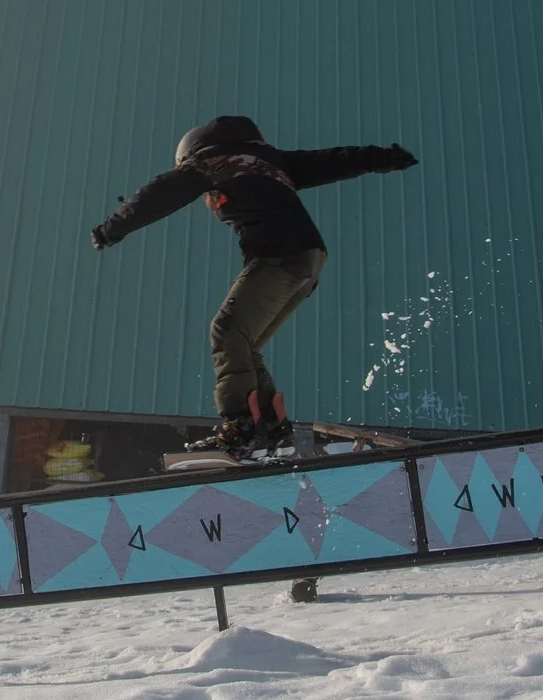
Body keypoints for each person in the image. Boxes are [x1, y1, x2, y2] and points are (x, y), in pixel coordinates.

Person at [91, 115, 418, 456]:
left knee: (227, 331)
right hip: (308, 258)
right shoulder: (271, 162)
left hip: (279, 255)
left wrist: (110, 230)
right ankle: (272, 427)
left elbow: (157, 195)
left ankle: (242, 426)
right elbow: (332, 160)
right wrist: (384, 157)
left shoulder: (210, 164)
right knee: (246, 346)